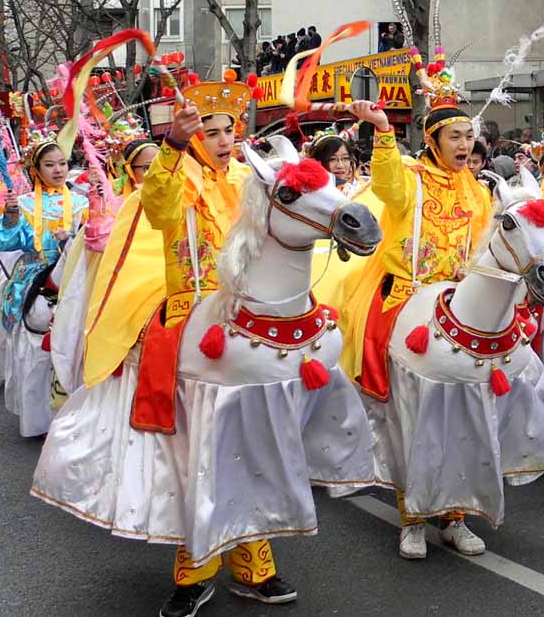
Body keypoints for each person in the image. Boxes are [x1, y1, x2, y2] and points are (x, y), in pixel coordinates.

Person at [136, 75, 303, 614]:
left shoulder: (253, 177)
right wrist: (173, 146)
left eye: (228, 129)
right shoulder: (175, 174)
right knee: (202, 455)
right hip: (195, 325)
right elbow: (158, 208)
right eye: (210, 131)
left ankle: (257, 567)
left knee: (254, 445)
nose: (224, 139)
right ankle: (193, 573)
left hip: (252, 322)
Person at [337, 51, 495, 559]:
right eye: (455, 137)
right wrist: (383, 132)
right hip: (406, 296)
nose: (464, 144)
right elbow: (385, 184)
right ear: (432, 141)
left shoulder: (479, 191)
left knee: (463, 415)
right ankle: (412, 516)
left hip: (457, 305)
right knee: (410, 417)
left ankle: (456, 514)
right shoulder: (411, 177)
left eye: (469, 137)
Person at [0, 135, 89, 436]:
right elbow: (8, 242)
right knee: (34, 351)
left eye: (62, 163)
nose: (58, 170)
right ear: (36, 169)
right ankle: (36, 420)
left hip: (72, 272)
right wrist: (10, 215)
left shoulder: (82, 201)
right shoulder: (22, 203)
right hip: (33, 276)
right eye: (50, 165)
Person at [310, 126, 365, 198]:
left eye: (345, 158)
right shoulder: (308, 197)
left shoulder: (359, 193)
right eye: (332, 159)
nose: (340, 165)